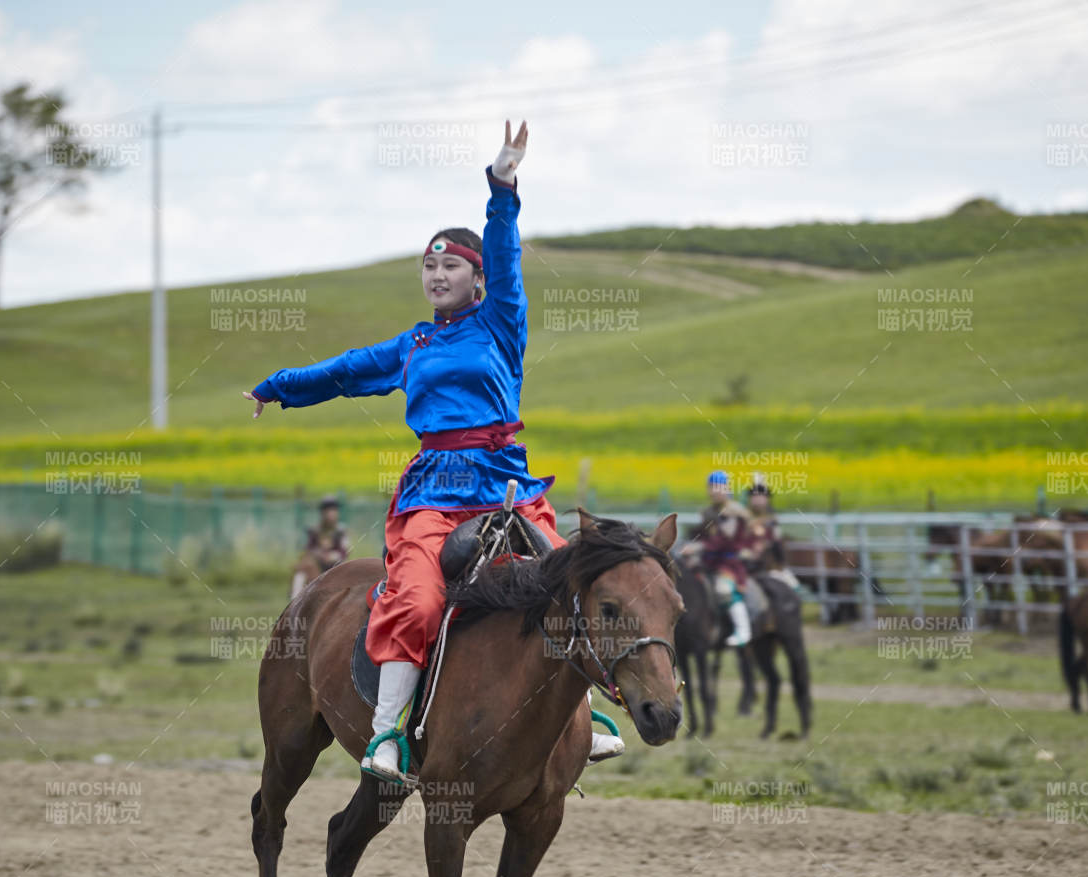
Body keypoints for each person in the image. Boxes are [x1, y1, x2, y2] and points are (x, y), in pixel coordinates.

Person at [245, 121, 622, 782]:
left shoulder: (502, 320)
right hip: (433, 490)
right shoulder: (411, 346)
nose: (437, 274)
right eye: (429, 264)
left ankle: (589, 717)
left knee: (570, 581)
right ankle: (388, 731)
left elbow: (505, 251)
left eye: (451, 264)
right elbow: (341, 372)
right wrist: (278, 388)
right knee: (416, 599)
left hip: (506, 481)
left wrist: (502, 184)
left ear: (477, 278)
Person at [694, 470, 753, 647]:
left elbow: (724, 540)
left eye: (719, 487)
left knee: (723, 590)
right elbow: (700, 534)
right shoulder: (707, 512)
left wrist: (701, 546)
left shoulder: (734, 512)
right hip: (707, 561)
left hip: (729, 563)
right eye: (711, 487)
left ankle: (743, 630)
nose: (715, 491)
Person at [742, 479, 800, 590]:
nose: (758, 499)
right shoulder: (743, 519)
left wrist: (780, 565)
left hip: (771, 566)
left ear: (767, 499)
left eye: (762, 495)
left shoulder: (772, 521)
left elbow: (777, 545)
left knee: (793, 586)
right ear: (750, 498)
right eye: (755, 495)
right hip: (748, 565)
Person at [305, 495, 352, 573]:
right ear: (322, 513)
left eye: (334, 510)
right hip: (317, 566)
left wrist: (334, 556)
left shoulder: (341, 531)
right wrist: (319, 554)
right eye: (328, 511)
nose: (331, 514)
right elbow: (309, 548)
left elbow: (346, 550)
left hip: (337, 566)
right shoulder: (315, 530)